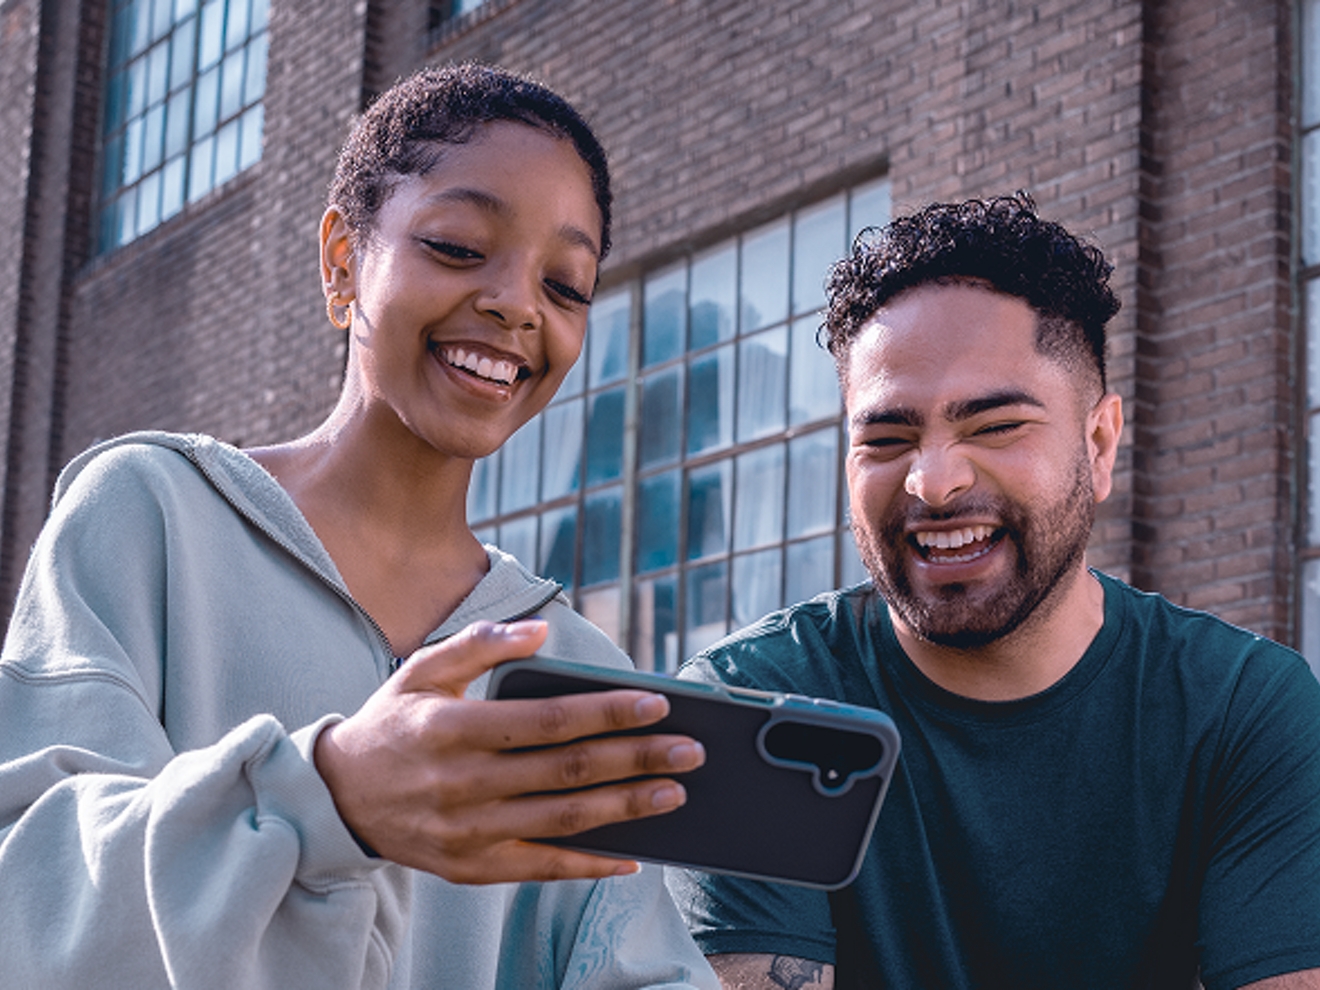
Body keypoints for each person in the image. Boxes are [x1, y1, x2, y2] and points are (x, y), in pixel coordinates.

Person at [0, 63, 718, 989]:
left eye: (567, 286)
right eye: (459, 246)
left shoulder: (568, 664)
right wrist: (327, 798)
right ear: (343, 260)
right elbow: (31, 890)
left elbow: (627, 965)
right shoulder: (150, 515)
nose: (516, 303)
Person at [668, 194, 1320, 989]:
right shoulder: (755, 707)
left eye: (996, 426)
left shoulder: (1242, 712)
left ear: (1100, 442)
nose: (934, 481)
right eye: (886, 437)